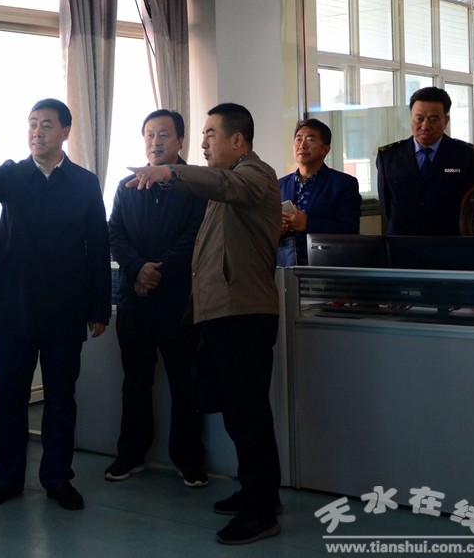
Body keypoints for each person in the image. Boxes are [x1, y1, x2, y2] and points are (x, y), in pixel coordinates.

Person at [0, 98, 111, 512]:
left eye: (46, 125)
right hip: (14, 307)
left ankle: (58, 479)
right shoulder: (14, 174)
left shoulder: (84, 183)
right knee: (10, 398)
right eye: (32, 124)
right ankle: (8, 478)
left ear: (65, 131)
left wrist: (99, 307)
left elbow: (98, 246)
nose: (37, 132)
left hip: (65, 309)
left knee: (61, 399)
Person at [127, 103, 282, 545]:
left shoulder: (255, 174)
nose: (203, 142)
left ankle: (260, 513)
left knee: (248, 416)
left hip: (244, 315)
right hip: (221, 316)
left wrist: (171, 172)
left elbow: (226, 185)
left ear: (238, 140)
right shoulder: (225, 183)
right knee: (238, 414)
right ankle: (259, 493)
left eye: (211, 133)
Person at [104, 109, 208, 486]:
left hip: (178, 299)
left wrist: (156, 271)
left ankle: (188, 459)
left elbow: (195, 237)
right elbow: (114, 233)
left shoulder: (196, 185)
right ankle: (130, 455)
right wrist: (138, 269)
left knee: (184, 382)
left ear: (180, 140)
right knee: (134, 381)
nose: (155, 141)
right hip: (135, 299)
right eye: (149, 134)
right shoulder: (126, 186)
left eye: (163, 134)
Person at [376, 86, 474, 236]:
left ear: (446, 121)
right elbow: (386, 206)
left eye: (433, 119)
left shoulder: (468, 155)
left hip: (450, 242)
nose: (425, 126)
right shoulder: (389, 156)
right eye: (419, 118)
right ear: (411, 118)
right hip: (402, 243)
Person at [278, 118, 362, 265]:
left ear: (325, 149)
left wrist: (307, 224)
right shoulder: (280, 185)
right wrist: (275, 229)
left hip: (326, 267)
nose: (302, 145)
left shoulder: (343, 184)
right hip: (286, 267)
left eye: (310, 140)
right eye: (298, 139)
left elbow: (350, 231)